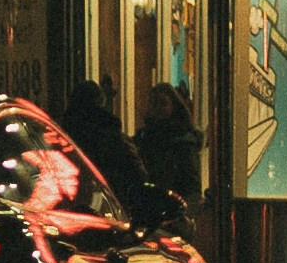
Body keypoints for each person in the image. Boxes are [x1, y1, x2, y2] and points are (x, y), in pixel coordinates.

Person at [57, 81, 152, 212]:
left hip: (69, 206)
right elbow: (137, 175)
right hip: (110, 207)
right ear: (101, 102)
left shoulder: (59, 136)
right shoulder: (112, 135)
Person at [134, 81, 204, 205]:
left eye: (163, 103)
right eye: (154, 103)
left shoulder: (183, 143)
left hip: (173, 210)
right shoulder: (142, 139)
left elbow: (192, 187)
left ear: (174, 107)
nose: (158, 108)